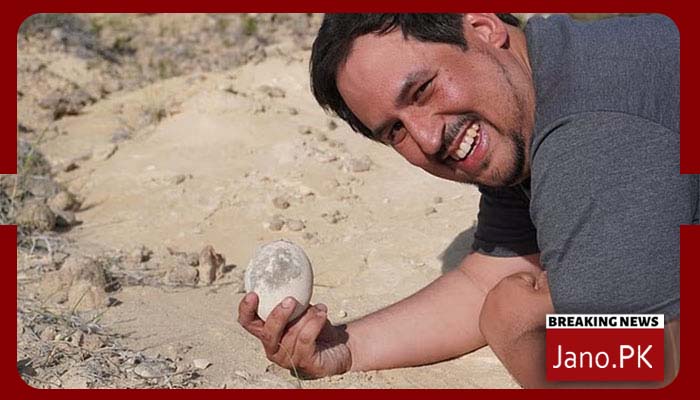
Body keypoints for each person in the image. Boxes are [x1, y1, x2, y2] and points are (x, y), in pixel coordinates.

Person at [238, 13, 687, 388]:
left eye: (422, 90)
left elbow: (645, 373)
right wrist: (344, 348)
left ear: (483, 25)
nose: (429, 139)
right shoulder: (530, 91)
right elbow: (486, 278)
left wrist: (516, 330)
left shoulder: (589, 136)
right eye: (396, 130)